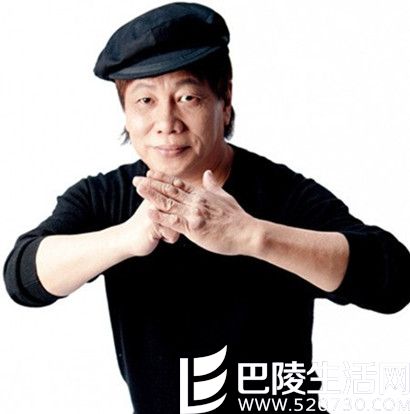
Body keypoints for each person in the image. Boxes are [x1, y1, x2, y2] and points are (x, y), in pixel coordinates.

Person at [3, 2, 410, 413]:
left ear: (224, 98)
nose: (167, 122)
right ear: (124, 112)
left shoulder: (280, 192)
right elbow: (23, 278)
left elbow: (394, 279)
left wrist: (252, 236)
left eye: (188, 97)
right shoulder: (105, 196)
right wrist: (126, 238)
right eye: (145, 100)